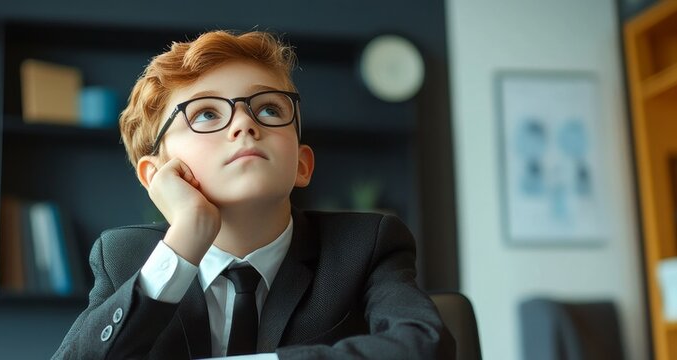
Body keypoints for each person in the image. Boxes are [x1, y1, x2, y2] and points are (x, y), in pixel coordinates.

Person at [51, 30, 454, 359]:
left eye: (269, 110)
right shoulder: (123, 256)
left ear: (301, 164)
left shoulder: (365, 246)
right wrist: (187, 236)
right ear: (157, 175)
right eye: (207, 113)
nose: (244, 123)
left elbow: (426, 346)